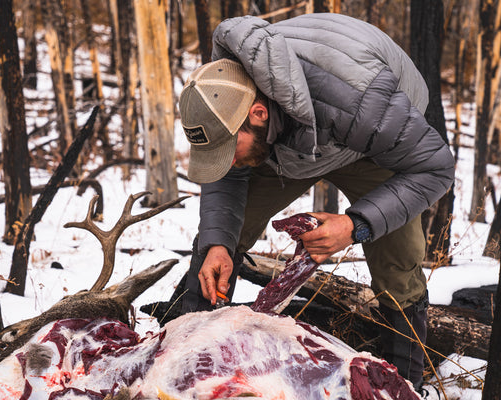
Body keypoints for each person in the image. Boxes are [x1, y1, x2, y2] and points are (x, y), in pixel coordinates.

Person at [177, 12, 455, 393]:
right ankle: (182, 355)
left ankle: (402, 381)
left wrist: (354, 225)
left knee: (398, 257)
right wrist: (218, 243)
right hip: (292, 137)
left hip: (371, 143)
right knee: (225, 234)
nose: (228, 162)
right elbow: (227, 173)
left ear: (257, 114)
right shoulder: (225, 92)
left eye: (229, 150)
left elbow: (435, 170)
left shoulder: (362, 100)